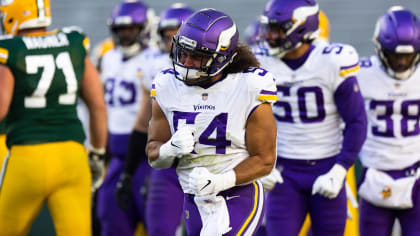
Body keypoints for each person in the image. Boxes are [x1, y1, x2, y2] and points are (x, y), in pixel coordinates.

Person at [146, 8, 278, 236]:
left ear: (223, 56)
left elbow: (265, 160)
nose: (186, 62)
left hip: (238, 193)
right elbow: (153, 155)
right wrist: (169, 149)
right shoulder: (167, 85)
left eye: (197, 56)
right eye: (183, 52)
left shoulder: (248, 86)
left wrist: (220, 181)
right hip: (194, 196)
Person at [256, 0, 367, 235]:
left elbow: (357, 120)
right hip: (283, 171)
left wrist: (340, 170)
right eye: (269, 28)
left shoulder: (331, 60)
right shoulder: (261, 61)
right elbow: (242, 119)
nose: (270, 35)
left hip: (326, 167)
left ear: (301, 28)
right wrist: (259, 164)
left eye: (277, 29)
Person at [0, 0, 107, 234]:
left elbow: (1, 109)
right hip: (73, 158)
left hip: (28, 158)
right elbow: (98, 105)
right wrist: (98, 153)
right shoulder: (73, 41)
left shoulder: (9, 49)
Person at [126, 3, 194, 236]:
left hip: (209, 163)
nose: (173, 45)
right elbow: (142, 122)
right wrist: (127, 172)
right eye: (168, 38)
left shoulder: (219, 69)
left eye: (178, 37)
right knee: (160, 230)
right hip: (168, 165)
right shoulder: (158, 69)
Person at [357, 6, 420, 236]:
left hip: (416, 175)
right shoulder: (362, 72)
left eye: (408, 56)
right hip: (375, 174)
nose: (402, 62)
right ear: (380, 48)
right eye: (395, 56)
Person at [95, 1, 155, 235]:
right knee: (111, 219)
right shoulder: (108, 57)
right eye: (121, 29)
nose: (126, 34)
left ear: (145, 28)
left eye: (131, 29)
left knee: (156, 222)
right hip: (116, 157)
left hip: (148, 157)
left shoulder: (154, 59)